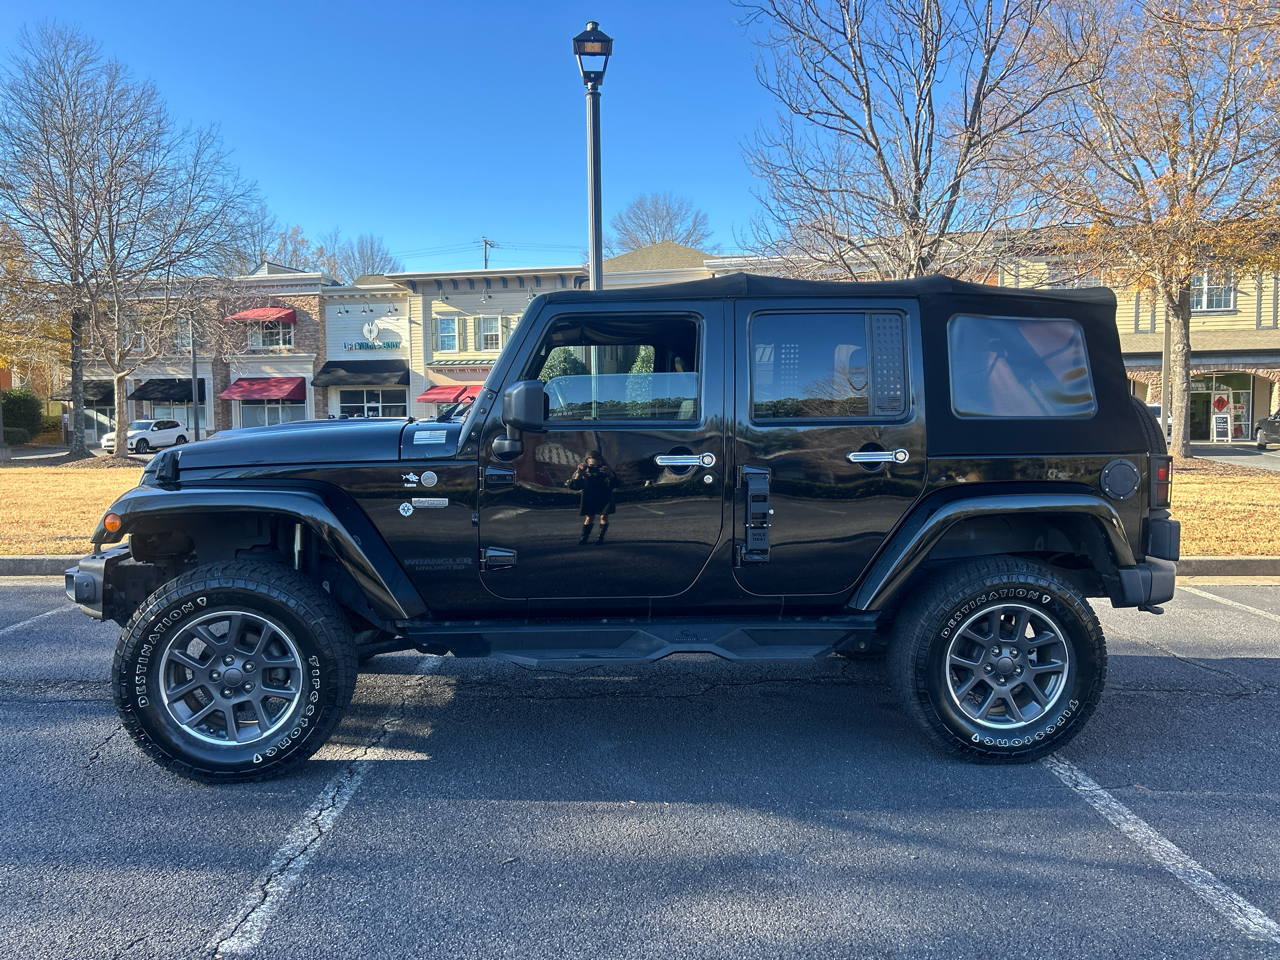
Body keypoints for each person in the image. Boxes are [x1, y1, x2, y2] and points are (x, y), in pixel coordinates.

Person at [566, 451, 618, 544]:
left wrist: (610, 474)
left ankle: (600, 538)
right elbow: (573, 486)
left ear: (602, 463)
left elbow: (616, 484)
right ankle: (584, 538)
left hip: (605, 496)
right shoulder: (584, 474)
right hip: (589, 497)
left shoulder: (606, 472)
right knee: (589, 517)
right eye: (592, 466)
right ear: (587, 464)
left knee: (604, 516)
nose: (595, 468)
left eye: (598, 466)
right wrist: (579, 473)